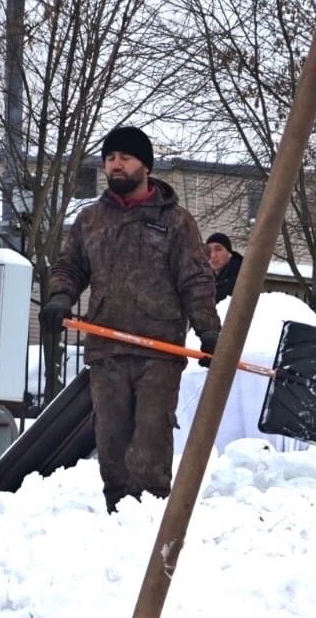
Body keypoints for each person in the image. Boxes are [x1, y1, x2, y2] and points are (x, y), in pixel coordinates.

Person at [40, 125, 219, 511]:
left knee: (151, 438)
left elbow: (195, 278)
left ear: (146, 166)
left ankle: (151, 512)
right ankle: (117, 511)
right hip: (107, 349)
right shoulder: (91, 220)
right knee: (111, 438)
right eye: (109, 158)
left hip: (159, 350)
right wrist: (59, 298)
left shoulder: (176, 222)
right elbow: (70, 267)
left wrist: (209, 331)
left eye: (125, 158)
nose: (115, 165)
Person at [205, 232, 244, 303]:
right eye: (209, 250)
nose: (213, 255)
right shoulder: (202, 278)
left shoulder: (242, 277)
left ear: (229, 254)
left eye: (218, 249)